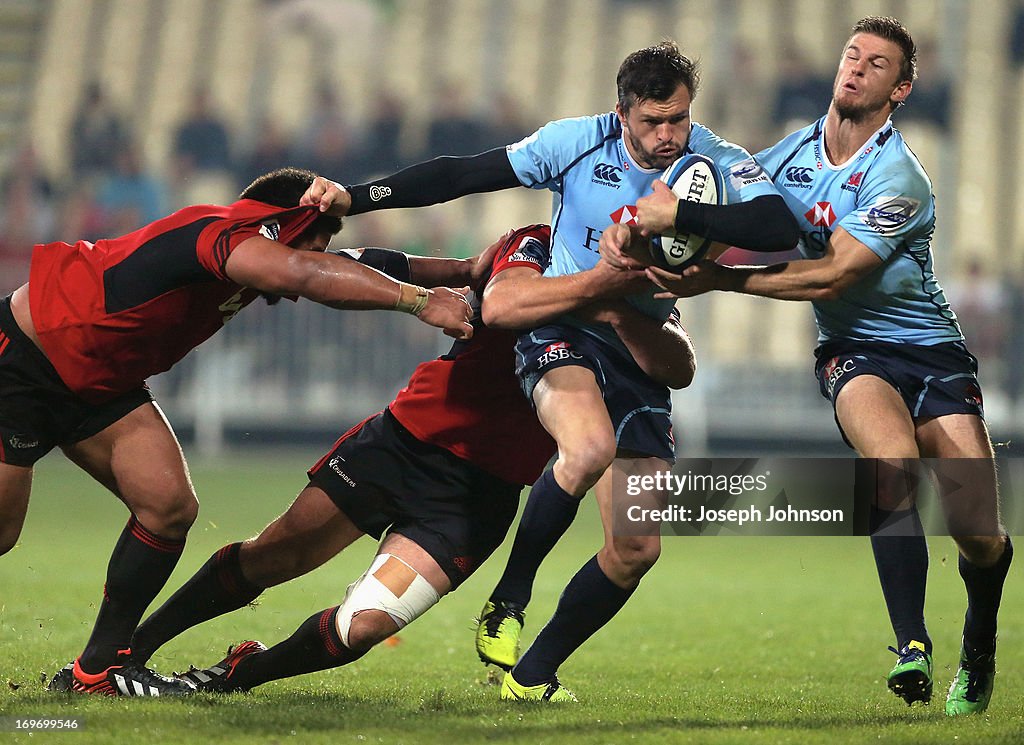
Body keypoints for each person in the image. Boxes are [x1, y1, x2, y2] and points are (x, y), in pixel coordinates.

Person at [300, 41, 799, 700]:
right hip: (564, 324)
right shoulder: (575, 143)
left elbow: (776, 222)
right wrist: (354, 199)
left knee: (635, 549)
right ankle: (508, 599)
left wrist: (678, 212)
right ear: (621, 114)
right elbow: (462, 174)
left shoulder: (713, 160)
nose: (668, 136)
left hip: (639, 340)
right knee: (587, 446)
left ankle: (532, 674)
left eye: (677, 118)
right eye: (652, 122)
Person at [69, 224, 695, 695]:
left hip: (473, 500)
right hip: (401, 443)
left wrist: (620, 308)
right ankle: (129, 648)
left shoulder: (641, 294)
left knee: (362, 628)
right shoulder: (532, 248)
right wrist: (352, 268)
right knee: (273, 556)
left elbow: (677, 366)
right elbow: (453, 272)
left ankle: (234, 677)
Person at [606, 17, 1012, 717]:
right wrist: (647, 232)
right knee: (888, 465)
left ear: (902, 88)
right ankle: (912, 645)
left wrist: (717, 281)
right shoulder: (786, 156)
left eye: (877, 63)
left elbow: (833, 277)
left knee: (978, 531)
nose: (855, 67)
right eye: (852, 54)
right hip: (852, 353)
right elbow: (731, 217)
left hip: (930, 350)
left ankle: (979, 638)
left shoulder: (901, 177)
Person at [1, 166, 475, 697]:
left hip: (99, 385)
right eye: (320, 236)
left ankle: (97, 671)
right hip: (24, 362)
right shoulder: (221, 231)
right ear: (286, 220)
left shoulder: (265, 251)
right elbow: (300, 272)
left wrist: (468, 269)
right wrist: (418, 301)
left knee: (168, 506)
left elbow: (368, 264)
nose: (325, 251)